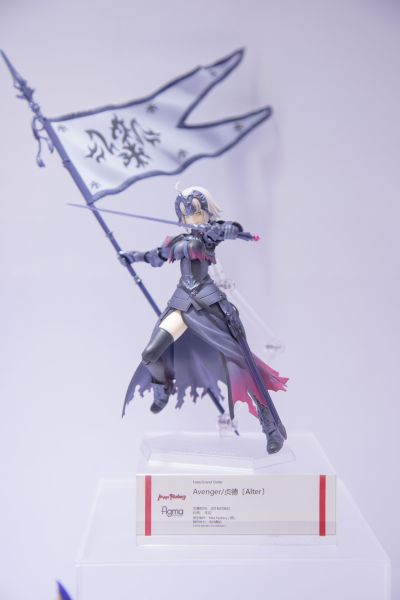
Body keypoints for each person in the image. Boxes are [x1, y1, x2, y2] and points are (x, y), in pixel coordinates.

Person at [120, 186, 288, 454]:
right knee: (150, 354)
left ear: (206, 212)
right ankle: (163, 387)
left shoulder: (209, 236)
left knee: (241, 365)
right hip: (181, 304)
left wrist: (230, 229)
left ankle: (270, 427)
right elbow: (155, 256)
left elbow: (225, 229)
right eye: (187, 213)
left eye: (197, 212)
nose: (193, 218)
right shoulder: (177, 242)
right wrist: (134, 257)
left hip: (208, 304)